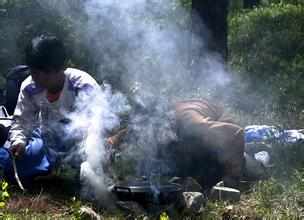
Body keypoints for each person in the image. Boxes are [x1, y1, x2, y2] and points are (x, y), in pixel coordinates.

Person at [0, 35, 101, 182]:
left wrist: (92, 154)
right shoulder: (30, 87)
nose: (36, 79)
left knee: (88, 168)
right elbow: (21, 120)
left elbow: (97, 126)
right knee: (8, 163)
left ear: (60, 68)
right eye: (33, 73)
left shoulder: (83, 85)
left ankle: (68, 169)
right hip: (46, 142)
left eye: (43, 75)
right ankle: (56, 168)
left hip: (80, 145)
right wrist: (19, 142)